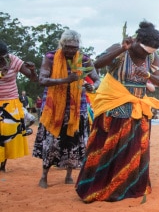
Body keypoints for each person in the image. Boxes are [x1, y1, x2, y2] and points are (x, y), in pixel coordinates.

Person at [75, 21, 159, 202]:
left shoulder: (153, 57)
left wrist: (147, 75)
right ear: (137, 41)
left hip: (138, 106)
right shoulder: (120, 49)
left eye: (151, 52)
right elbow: (97, 64)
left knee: (135, 147)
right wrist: (121, 49)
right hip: (115, 104)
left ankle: (130, 185)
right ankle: (104, 185)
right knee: (111, 145)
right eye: (145, 50)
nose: (147, 54)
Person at [33, 30, 101, 188]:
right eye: (68, 47)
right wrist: (65, 80)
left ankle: (69, 175)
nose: (71, 50)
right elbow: (42, 80)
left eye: (74, 47)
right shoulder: (50, 57)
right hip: (54, 107)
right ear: (61, 45)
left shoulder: (84, 60)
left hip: (78, 108)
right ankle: (44, 176)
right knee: (51, 142)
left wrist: (91, 86)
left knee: (74, 142)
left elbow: (97, 79)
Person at [0, 41, 38, 172]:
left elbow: (33, 78)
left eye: (5, 56)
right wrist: (1, 74)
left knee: (6, 133)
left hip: (10, 102)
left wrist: (33, 71)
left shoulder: (13, 60)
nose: (3, 60)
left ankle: (2, 165)